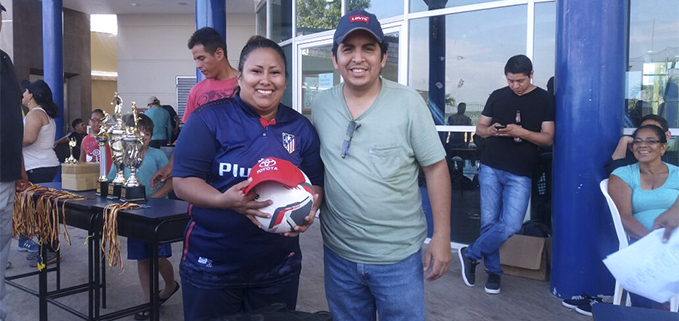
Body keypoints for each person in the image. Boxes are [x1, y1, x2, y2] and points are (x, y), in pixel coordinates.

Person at [311, 10, 451, 320]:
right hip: (339, 257)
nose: (357, 58)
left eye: (368, 48)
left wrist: (441, 236)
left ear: (383, 57)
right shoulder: (321, 106)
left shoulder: (408, 103)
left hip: (397, 259)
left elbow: (436, 168)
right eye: (348, 49)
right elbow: (315, 169)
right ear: (335, 58)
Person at [172, 36, 323, 320]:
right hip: (212, 264)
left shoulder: (301, 128)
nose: (265, 80)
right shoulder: (208, 119)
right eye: (256, 71)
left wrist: (309, 209)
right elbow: (182, 181)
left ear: (285, 81)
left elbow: (315, 181)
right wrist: (223, 200)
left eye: (275, 72)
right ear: (240, 78)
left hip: (278, 268)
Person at [458, 54, 555, 295]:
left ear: (531, 75)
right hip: (491, 165)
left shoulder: (545, 99)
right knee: (489, 223)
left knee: (511, 224)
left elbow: (548, 138)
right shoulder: (498, 95)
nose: (515, 85)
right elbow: (479, 128)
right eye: (510, 80)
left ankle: (470, 253)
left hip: (521, 171)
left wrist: (521, 131)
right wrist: (489, 131)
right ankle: (493, 273)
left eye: (520, 80)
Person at [105, 114, 178, 320]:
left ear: (151, 136)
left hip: (157, 214)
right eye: (137, 134)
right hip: (134, 215)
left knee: (159, 257)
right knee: (142, 259)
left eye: (146, 134)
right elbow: (112, 180)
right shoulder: (121, 157)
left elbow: (171, 181)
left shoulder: (157, 156)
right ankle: (148, 300)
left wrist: (155, 197)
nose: (142, 138)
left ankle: (170, 285)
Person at [151, 27, 239, 189]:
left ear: (219, 54)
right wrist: (170, 166)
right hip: (202, 175)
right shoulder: (196, 91)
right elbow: (187, 135)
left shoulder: (246, 85)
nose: (198, 65)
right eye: (195, 60)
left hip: (237, 172)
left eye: (201, 58)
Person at [608, 124, 679, 309]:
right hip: (642, 243)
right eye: (637, 141)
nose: (642, 145)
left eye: (651, 141)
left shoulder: (677, 174)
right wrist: (654, 243)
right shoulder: (622, 175)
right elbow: (624, 217)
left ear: (663, 147)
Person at [19, 79, 63, 266]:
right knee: (43, 210)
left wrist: (8, 141)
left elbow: (28, 139)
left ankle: (50, 251)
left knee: (41, 212)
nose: (22, 94)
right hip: (44, 165)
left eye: (25, 91)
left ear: (31, 96)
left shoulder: (35, 114)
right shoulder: (41, 113)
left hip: (36, 167)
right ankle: (47, 248)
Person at [0, 2, 23, 318]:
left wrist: (19, 169)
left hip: (6, 174)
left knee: (2, 246)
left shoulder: (4, 60)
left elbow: (11, 118)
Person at [604, 114, 677, 176]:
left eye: (651, 140)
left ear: (667, 135)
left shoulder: (675, 160)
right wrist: (624, 140)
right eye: (643, 131)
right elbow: (613, 172)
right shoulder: (634, 157)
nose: (643, 145)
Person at [79, 109, 113, 173]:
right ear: (89, 121)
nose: (97, 123)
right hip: (90, 176)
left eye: (100, 121)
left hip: (107, 175)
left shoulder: (109, 137)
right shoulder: (85, 139)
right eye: (94, 120)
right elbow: (82, 160)